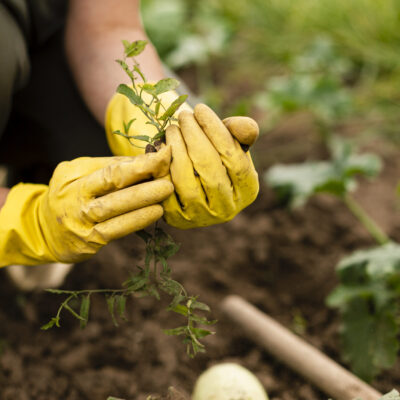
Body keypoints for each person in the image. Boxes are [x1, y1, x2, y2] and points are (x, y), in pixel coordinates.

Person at [0, 0, 259, 287]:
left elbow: (109, 24)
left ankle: (30, 175)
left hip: (38, 43)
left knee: (146, 150)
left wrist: (148, 112)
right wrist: (25, 222)